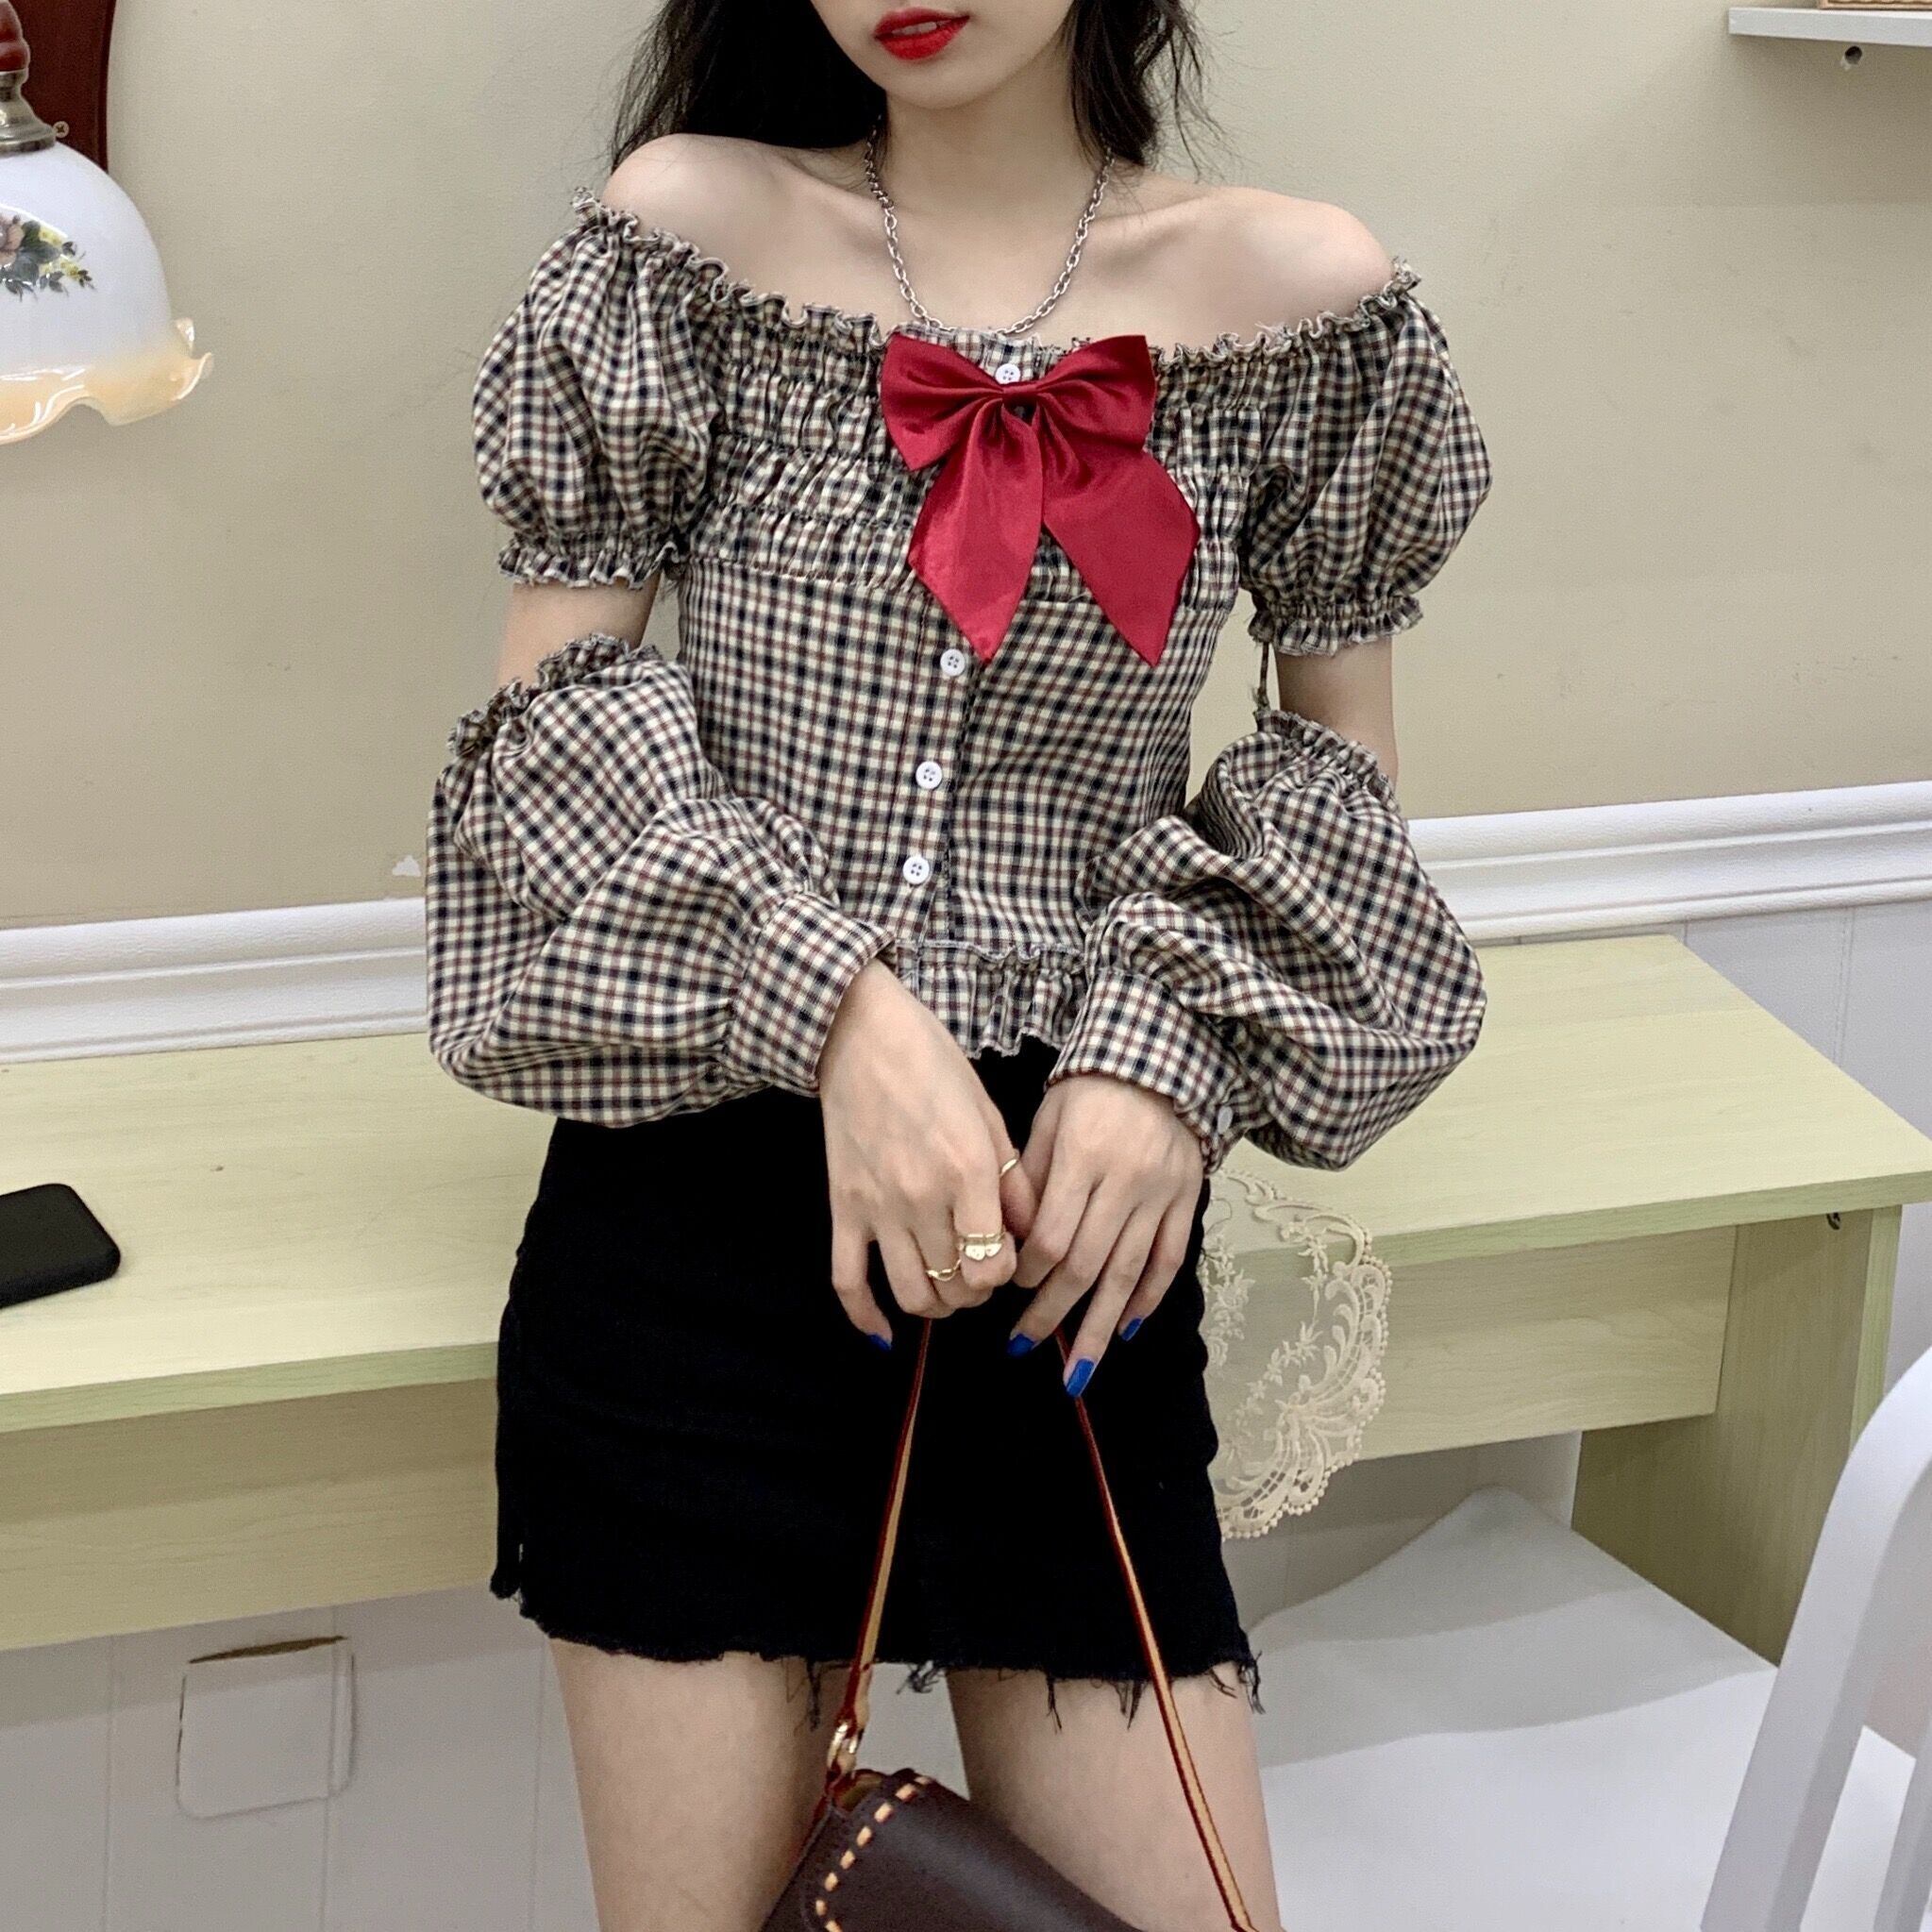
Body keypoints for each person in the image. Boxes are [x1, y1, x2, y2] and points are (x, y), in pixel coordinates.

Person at [423, 4, 1493, 1926]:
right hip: (700, 1242)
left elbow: (1339, 781)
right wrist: (841, 1008)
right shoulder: (690, 238)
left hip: (1072, 1268)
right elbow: (549, 741)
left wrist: (1165, 1053)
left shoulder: (1297, 305)